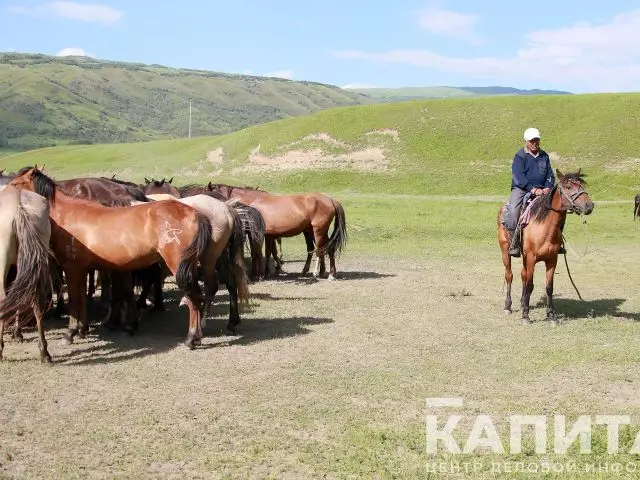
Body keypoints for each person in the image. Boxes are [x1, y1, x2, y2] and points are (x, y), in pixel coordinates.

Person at [506, 127, 563, 257]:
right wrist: (532, 189)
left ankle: (557, 241)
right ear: (526, 141)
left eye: (536, 140)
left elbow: (550, 175)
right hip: (521, 189)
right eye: (532, 141)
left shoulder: (544, 156)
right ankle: (513, 244)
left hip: (543, 190)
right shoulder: (520, 156)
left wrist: (548, 187)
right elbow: (518, 177)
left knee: (560, 208)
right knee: (514, 211)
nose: (534, 143)